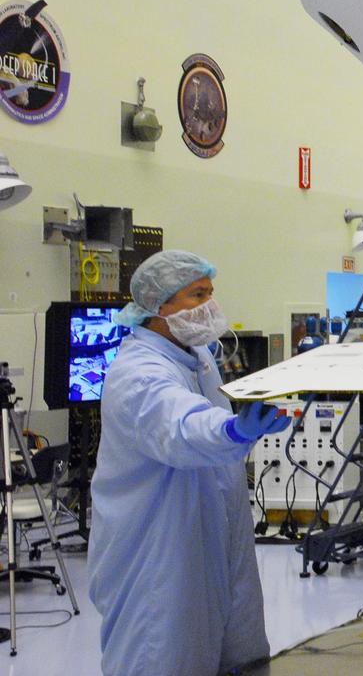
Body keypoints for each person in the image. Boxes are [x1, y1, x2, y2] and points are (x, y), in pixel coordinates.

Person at [88, 251, 291, 676]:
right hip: (158, 550)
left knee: (238, 651)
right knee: (163, 654)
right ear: (158, 307)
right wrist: (233, 431)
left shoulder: (196, 358)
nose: (210, 306)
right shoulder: (139, 374)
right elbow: (181, 427)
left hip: (212, 532)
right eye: (197, 295)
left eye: (211, 294)